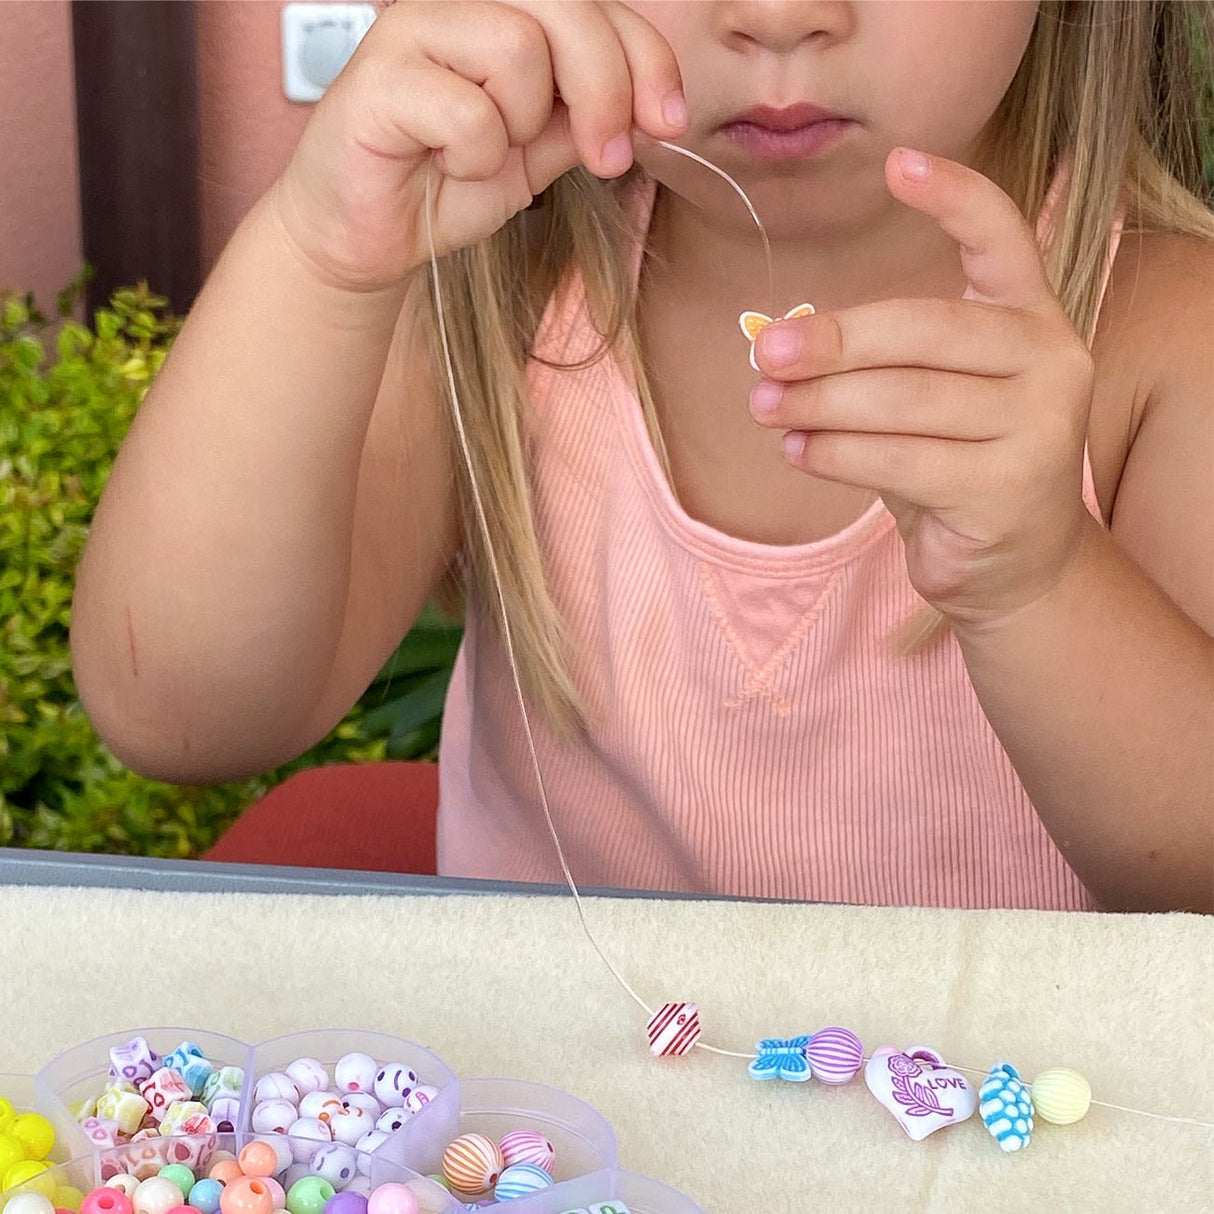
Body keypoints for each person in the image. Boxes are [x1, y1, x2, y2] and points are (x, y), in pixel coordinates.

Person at [70, 1, 1213, 913]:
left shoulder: (1166, 333)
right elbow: (183, 712)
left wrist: (1038, 577)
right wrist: (321, 256)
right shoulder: (489, 282)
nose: (777, 16)